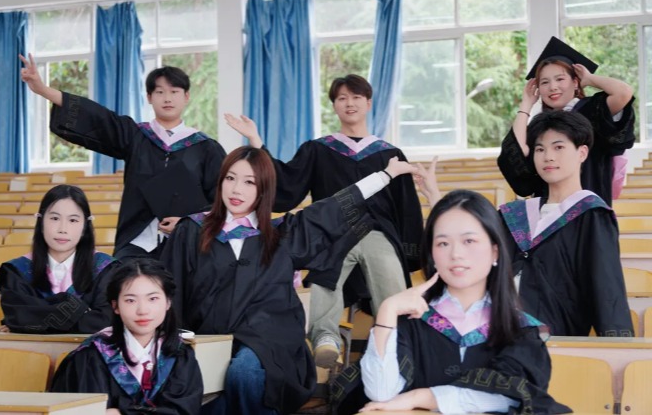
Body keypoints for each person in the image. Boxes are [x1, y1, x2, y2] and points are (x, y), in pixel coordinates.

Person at [161, 146, 418, 415]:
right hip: (209, 338)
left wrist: (386, 175)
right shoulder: (191, 231)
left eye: (250, 182)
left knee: (245, 373)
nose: (237, 190)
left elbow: (333, 207)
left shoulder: (282, 235)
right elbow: (171, 289)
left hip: (268, 342)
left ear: (264, 189)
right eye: (230, 178)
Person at [224, 74, 423, 368]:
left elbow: (405, 207)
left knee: (387, 265)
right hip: (331, 232)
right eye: (342, 98)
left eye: (356, 97)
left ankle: (398, 338)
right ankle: (325, 338)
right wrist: (256, 141)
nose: (349, 103)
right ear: (334, 105)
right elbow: (286, 184)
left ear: (369, 103)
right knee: (324, 267)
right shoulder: (318, 149)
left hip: (376, 232)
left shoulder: (390, 154)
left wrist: (409, 252)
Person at [333, 190, 570, 414]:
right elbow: (381, 393)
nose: (456, 254)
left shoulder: (520, 328)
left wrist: (421, 397)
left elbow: (511, 397)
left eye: (469, 241)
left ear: (495, 251)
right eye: (443, 243)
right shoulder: (411, 319)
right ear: (432, 255)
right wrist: (387, 310)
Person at [19, 53, 226, 260]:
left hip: (188, 244)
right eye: (160, 92)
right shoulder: (136, 136)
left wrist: (187, 224)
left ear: (186, 96)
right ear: (149, 97)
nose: (167, 98)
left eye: (174, 91)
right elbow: (98, 118)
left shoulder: (206, 147)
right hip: (137, 240)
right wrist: (43, 90)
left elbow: (220, 200)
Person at [499, 111, 632, 336]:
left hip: (556, 339)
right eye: (540, 149)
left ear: (582, 153)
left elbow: (606, 289)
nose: (548, 157)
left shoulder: (591, 215)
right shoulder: (515, 215)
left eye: (558, 147)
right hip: (501, 334)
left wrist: (617, 345)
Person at [51, 258, 203, 414]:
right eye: (130, 300)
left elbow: (184, 411)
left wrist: (121, 412)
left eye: (153, 299)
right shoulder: (91, 357)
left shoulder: (180, 355)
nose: (142, 310)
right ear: (115, 306)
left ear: (168, 302)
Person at [498, 36, 635, 206]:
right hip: (548, 209)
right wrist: (526, 104)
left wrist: (590, 79)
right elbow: (516, 152)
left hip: (588, 203)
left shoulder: (592, 110)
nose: (553, 87)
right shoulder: (541, 125)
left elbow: (623, 93)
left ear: (575, 83)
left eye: (560, 79)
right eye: (544, 82)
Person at [0, 185, 117, 333]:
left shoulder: (106, 269)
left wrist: (34, 321)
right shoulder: (16, 271)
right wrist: (84, 312)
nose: (62, 229)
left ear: (85, 227)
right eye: (55, 218)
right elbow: (17, 316)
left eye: (73, 220)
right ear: (41, 222)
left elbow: (106, 320)